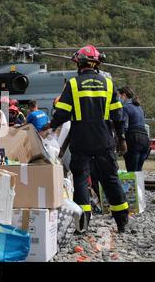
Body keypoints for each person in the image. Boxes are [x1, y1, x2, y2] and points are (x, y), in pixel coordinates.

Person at [49, 45, 130, 234]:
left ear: (79, 63)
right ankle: (122, 222)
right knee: (111, 179)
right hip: (104, 141)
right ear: (96, 64)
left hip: (81, 142)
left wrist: (50, 126)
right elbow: (118, 115)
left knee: (80, 180)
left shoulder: (73, 84)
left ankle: (82, 225)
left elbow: (62, 114)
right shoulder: (109, 84)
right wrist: (121, 138)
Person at [118, 86, 150, 172]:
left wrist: (120, 140)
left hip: (134, 139)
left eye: (119, 96)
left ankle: (135, 185)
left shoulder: (125, 107)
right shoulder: (139, 107)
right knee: (138, 172)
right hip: (145, 140)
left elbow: (125, 126)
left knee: (132, 172)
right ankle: (140, 185)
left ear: (124, 95)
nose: (118, 98)